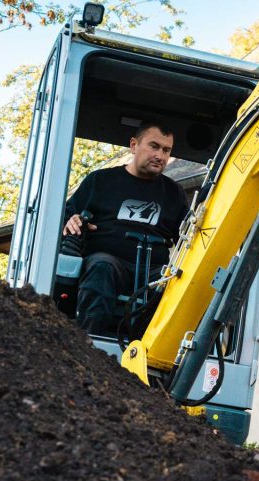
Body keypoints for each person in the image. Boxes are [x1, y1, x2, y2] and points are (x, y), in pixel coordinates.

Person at [62, 121, 189, 335]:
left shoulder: (175, 193)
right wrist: (71, 220)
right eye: (154, 146)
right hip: (109, 264)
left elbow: (188, 238)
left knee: (178, 282)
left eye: (166, 150)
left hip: (153, 271)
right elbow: (66, 215)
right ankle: (88, 344)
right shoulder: (100, 181)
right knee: (101, 268)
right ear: (133, 145)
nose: (161, 155)